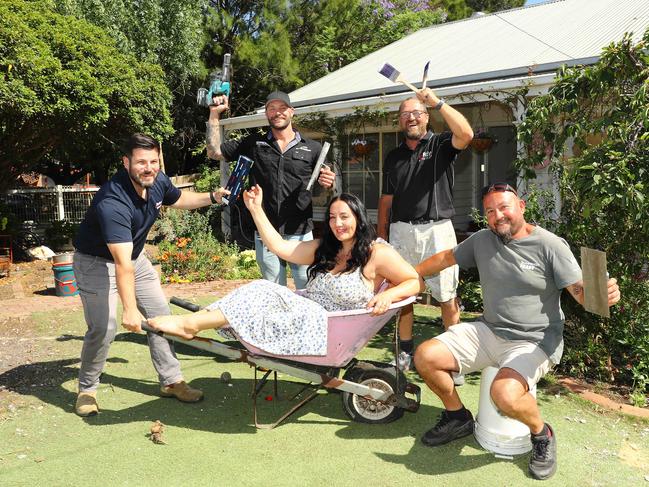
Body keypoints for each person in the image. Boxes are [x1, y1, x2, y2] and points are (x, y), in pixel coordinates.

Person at [413, 182, 621, 480]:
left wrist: (604, 294)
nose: (498, 215)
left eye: (504, 207)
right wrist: (412, 274)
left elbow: (582, 293)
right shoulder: (483, 240)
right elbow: (447, 257)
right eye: (490, 211)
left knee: (504, 394)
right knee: (426, 355)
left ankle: (542, 434)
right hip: (490, 330)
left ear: (521, 207)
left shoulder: (550, 245)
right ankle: (458, 417)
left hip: (535, 340)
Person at [148, 186, 420, 352]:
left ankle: (190, 324)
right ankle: (195, 322)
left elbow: (413, 281)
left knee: (263, 291)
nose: (338, 224)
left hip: (330, 328)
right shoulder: (324, 248)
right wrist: (256, 210)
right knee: (262, 289)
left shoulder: (377, 253)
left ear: (359, 218)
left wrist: (388, 295)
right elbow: (279, 246)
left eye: (345, 217)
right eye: (333, 218)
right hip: (307, 316)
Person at [73, 133, 230, 417]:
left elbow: (180, 197)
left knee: (162, 316)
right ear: (126, 162)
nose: (149, 167)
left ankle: (171, 381)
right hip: (97, 263)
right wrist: (131, 310)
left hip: (134, 257)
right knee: (104, 328)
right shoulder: (113, 202)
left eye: (154, 161)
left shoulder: (157, 180)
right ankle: (87, 389)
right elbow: (121, 265)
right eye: (141, 162)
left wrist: (211, 196)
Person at [377, 88, 474, 370]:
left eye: (417, 113)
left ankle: (452, 356)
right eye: (405, 114)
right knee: (403, 295)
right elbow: (386, 200)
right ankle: (405, 352)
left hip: (437, 232)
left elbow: (466, 135)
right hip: (401, 232)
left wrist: (439, 103)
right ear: (399, 121)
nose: (411, 118)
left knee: (446, 295)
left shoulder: (442, 145)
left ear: (427, 118)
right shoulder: (393, 156)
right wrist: (382, 236)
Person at [206, 90, 336, 289]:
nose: (277, 113)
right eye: (272, 109)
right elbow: (214, 152)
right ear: (266, 113)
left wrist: (330, 182)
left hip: (300, 234)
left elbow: (329, 186)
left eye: (282, 108)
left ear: (292, 112)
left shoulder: (313, 149)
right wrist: (215, 114)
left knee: (309, 290)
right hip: (266, 231)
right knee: (274, 292)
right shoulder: (253, 143)